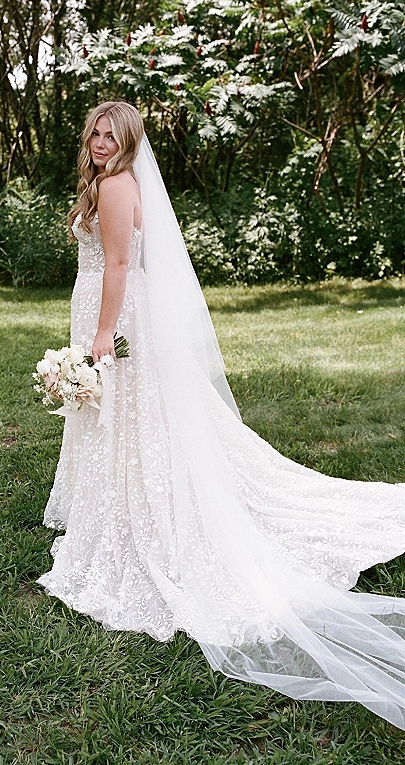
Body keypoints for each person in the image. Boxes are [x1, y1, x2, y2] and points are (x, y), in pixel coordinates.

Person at [37, 101, 405, 729]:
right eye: (94, 133)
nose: (99, 142)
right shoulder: (101, 183)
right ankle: (110, 500)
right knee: (116, 418)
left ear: (128, 143)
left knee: (130, 413)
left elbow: (121, 265)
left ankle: (138, 508)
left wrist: (101, 335)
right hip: (101, 310)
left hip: (116, 318)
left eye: (110, 135)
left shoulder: (120, 185)